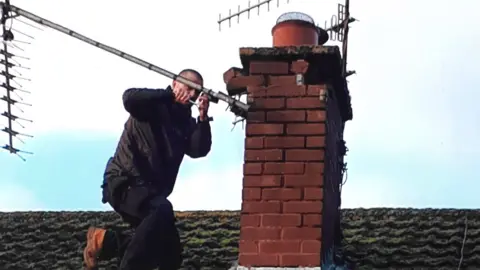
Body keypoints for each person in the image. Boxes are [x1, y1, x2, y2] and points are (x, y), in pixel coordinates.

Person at [83, 69, 212, 270]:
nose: (192, 95)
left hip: (151, 193)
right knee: (161, 209)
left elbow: (198, 150)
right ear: (175, 83)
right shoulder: (152, 106)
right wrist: (168, 95)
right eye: (188, 88)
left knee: (170, 255)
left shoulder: (185, 123)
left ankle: (105, 241)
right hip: (125, 183)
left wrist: (203, 119)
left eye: (196, 92)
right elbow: (129, 98)